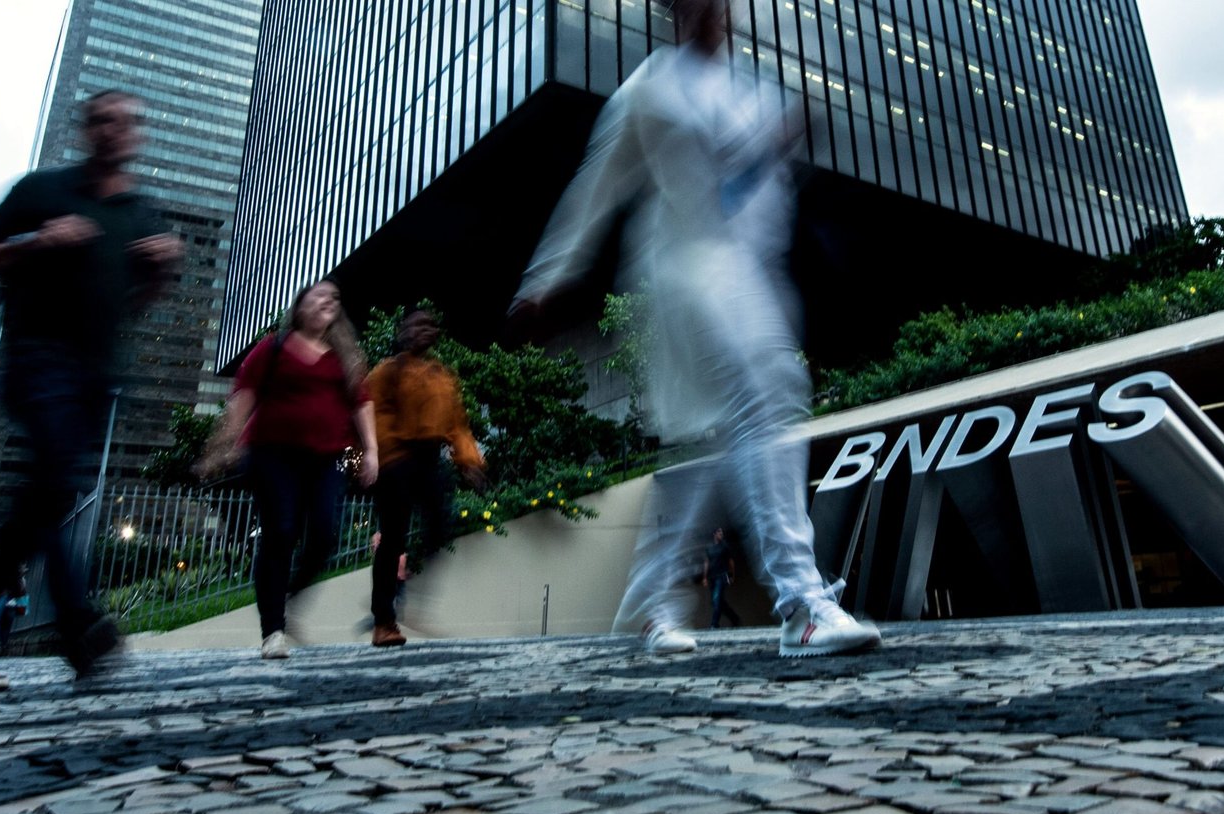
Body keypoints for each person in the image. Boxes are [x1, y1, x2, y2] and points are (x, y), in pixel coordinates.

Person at [510, 0, 879, 657]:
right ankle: (801, 603)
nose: (709, 10)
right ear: (675, 11)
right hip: (684, 275)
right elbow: (599, 184)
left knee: (708, 446)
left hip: (749, 278)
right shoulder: (650, 89)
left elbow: (753, 190)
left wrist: (778, 144)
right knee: (765, 394)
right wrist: (547, 277)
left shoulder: (752, 93)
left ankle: (650, 605)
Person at [0, 89, 184, 690]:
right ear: (85, 129)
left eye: (124, 122)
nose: (112, 130)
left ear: (138, 134)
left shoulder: (141, 213)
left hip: (98, 375)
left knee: (43, 501)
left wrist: (161, 270)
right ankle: (80, 624)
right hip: (37, 359)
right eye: (101, 120)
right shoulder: (40, 190)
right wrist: (36, 242)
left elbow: (136, 303)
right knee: (48, 485)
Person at [197, 280, 379, 659]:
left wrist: (372, 451)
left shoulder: (344, 356)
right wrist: (223, 444)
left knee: (325, 534)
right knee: (280, 531)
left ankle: (289, 592)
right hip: (273, 455)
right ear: (299, 307)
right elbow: (244, 397)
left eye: (334, 297)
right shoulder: (272, 347)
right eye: (319, 295)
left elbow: (361, 402)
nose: (328, 300)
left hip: (326, 459)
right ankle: (273, 631)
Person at [365, 310, 486, 648]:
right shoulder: (387, 372)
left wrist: (469, 461)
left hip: (429, 459)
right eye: (417, 325)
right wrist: (385, 457)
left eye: (430, 326)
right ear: (403, 332)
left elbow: (457, 424)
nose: (424, 331)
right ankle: (384, 621)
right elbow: (374, 414)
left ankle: (411, 594)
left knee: (440, 524)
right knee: (392, 538)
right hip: (395, 460)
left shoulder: (441, 376)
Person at [703, 527, 739, 629]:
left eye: (722, 533)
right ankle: (734, 618)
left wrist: (732, 575)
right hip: (712, 577)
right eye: (719, 533)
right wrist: (705, 577)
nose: (721, 534)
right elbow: (707, 562)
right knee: (717, 601)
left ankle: (714, 624)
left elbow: (731, 562)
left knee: (716, 600)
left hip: (722, 576)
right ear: (714, 534)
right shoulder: (709, 548)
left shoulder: (725, 547)